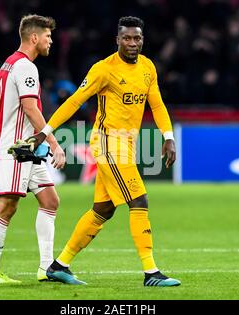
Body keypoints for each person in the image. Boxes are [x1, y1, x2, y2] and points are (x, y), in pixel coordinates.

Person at [30, 16, 181, 287]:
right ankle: (151, 272)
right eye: (127, 38)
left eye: (137, 38)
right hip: (108, 143)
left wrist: (168, 137)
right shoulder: (103, 69)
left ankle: (59, 265)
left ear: (142, 40)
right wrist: (46, 130)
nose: (132, 43)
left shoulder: (147, 67)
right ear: (117, 40)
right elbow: (76, 100)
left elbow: (157, 106)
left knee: (102, 210)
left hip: (128, 144)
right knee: (139, 201)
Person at [0, 14, 65, 284]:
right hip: (18, 149)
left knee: (50, 200)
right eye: (48, 36)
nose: (51, 41)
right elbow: (30, 108)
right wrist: (54, 143)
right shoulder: (25, 67)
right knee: (7, 205)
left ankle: (46, 268)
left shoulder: (8, 64)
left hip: (26, 149)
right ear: (34, 38)